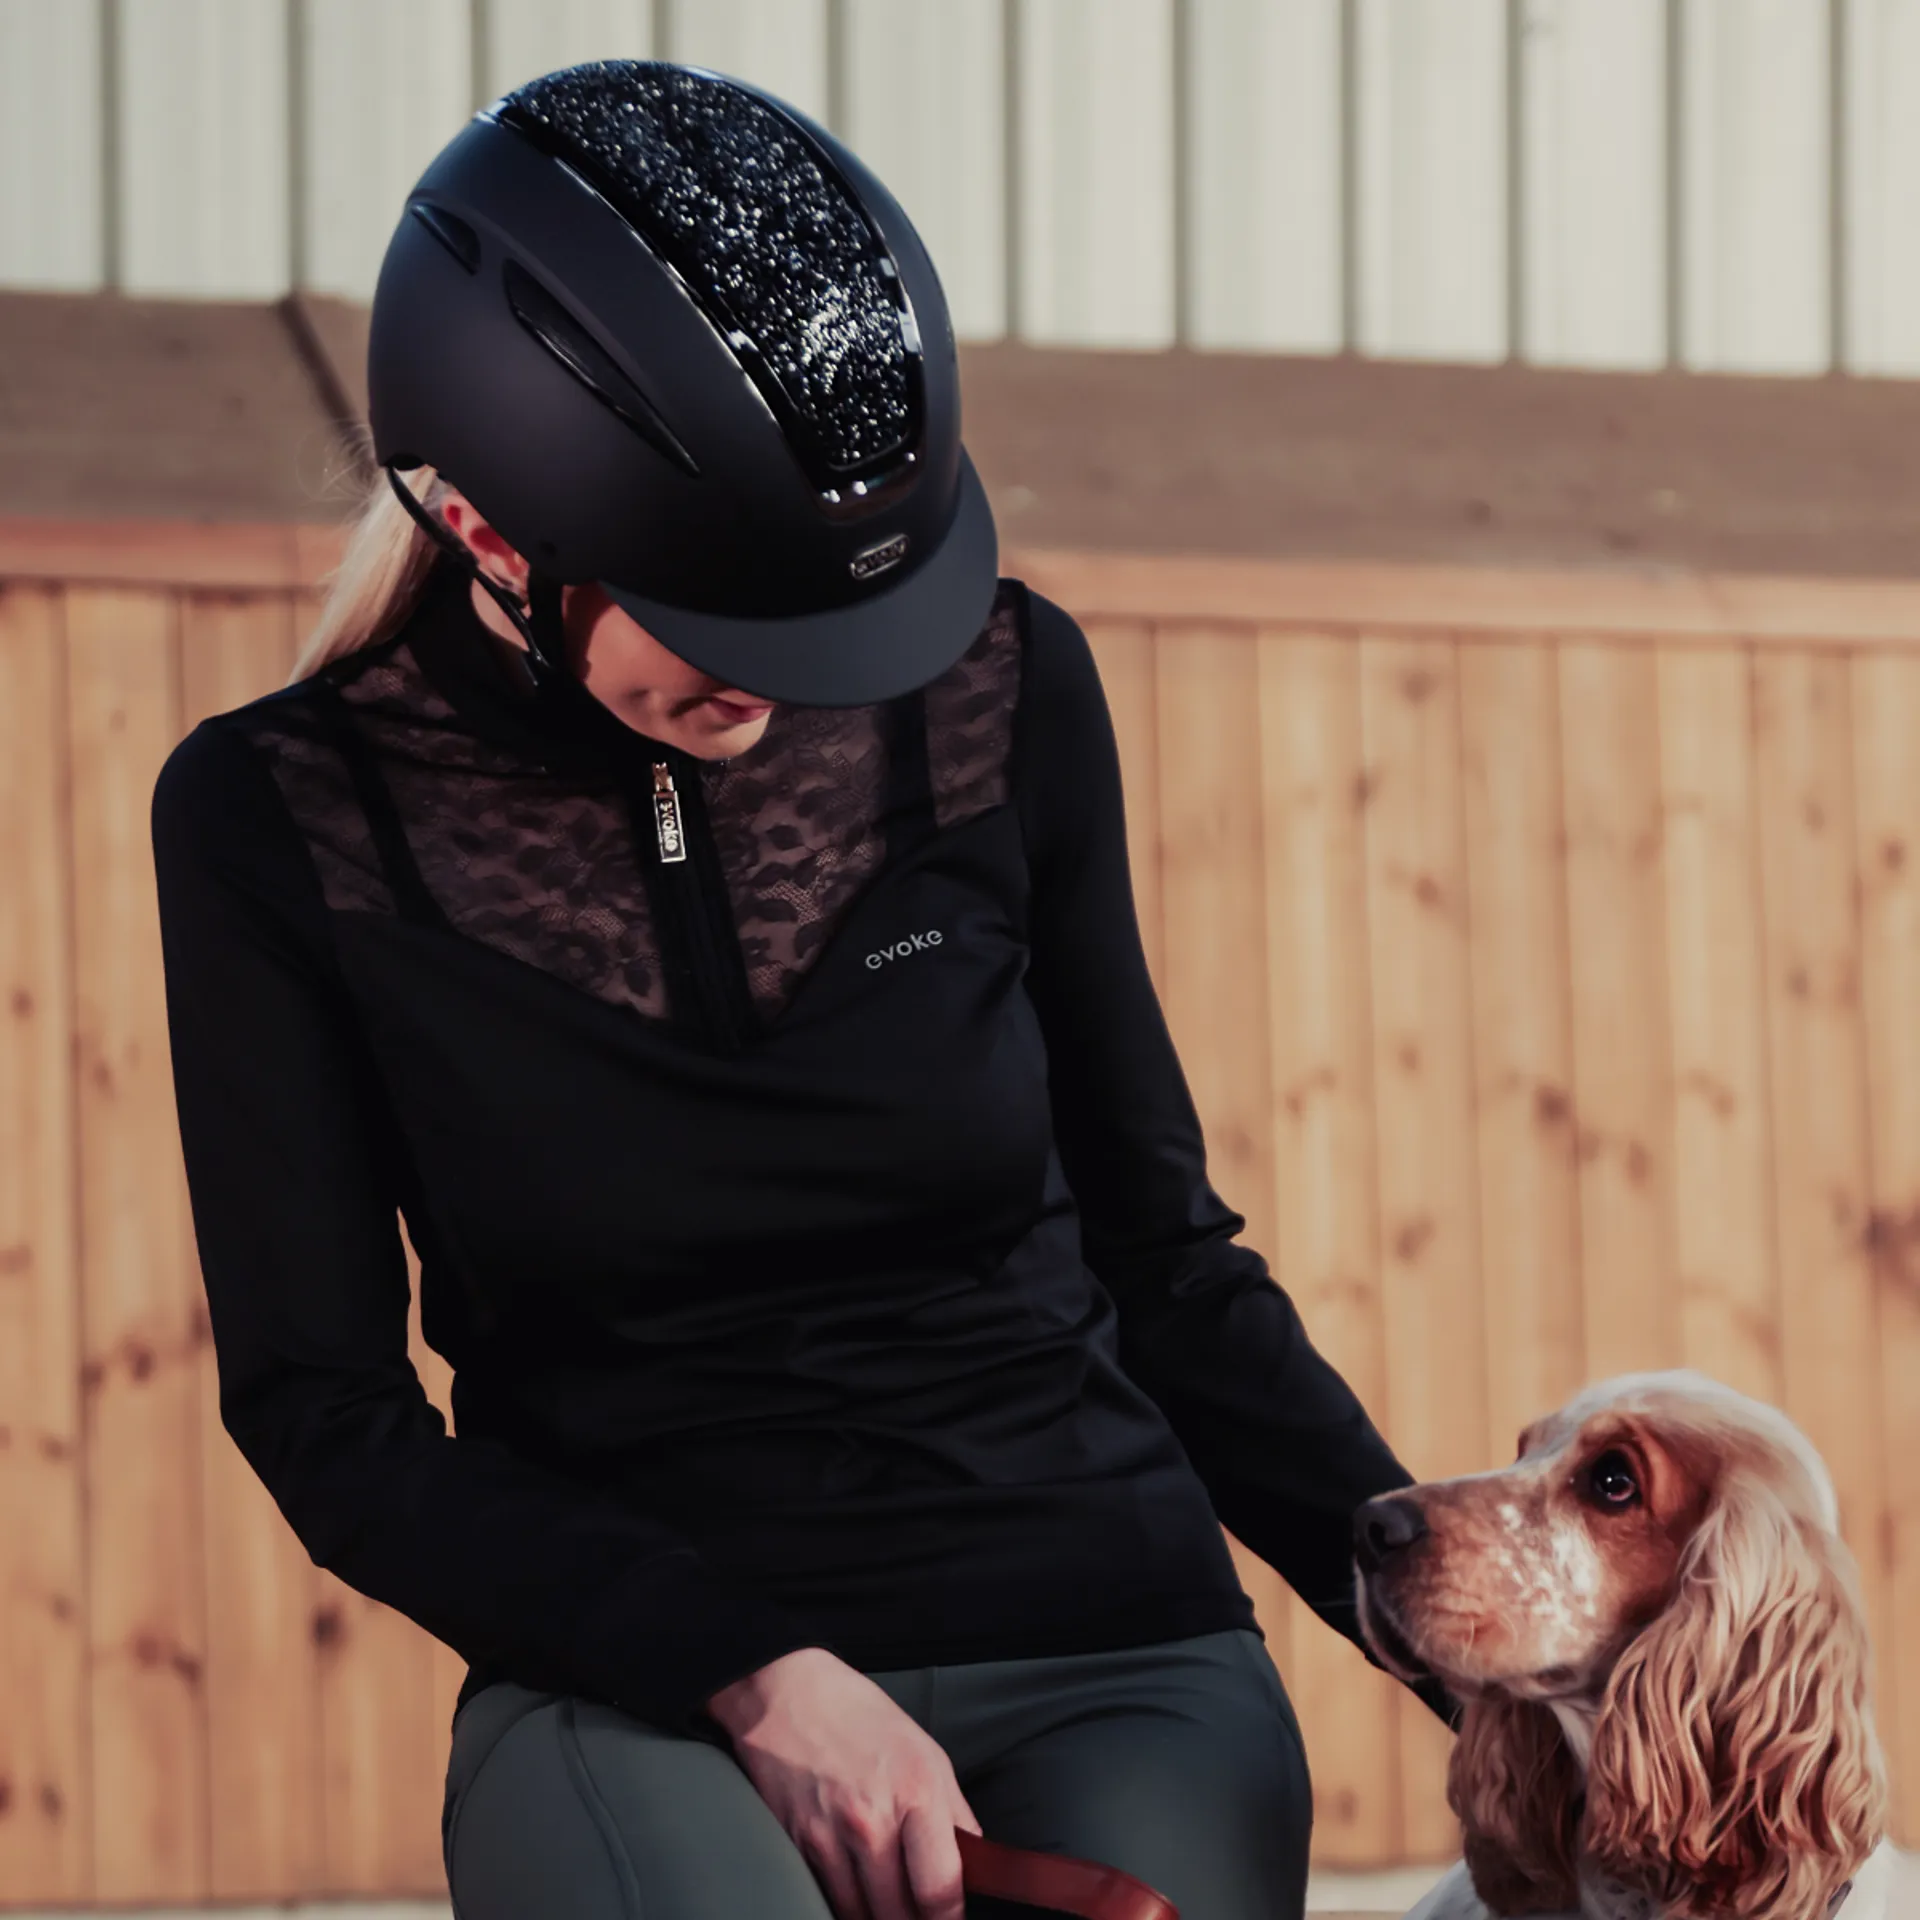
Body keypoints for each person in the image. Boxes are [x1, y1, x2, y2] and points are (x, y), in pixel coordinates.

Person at [152, 59, 1454, 1920]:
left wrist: (1471, 1653)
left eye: (838, 617)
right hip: (641, 1680)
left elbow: (1165, 1260)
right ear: (492, 536)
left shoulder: (1006, 693)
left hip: (1104, 1629)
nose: (792, 681)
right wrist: (746, 1669)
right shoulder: (278, 819)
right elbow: (328, 1418)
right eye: (730, 618)